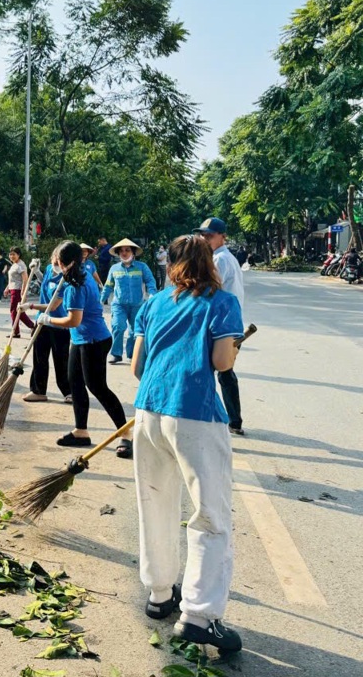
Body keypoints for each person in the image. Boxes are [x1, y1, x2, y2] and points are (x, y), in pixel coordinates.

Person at [130, 234, 244, 654]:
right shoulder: (221, 302)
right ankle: (199, 615)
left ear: (170, 263)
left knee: (154, 502)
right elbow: (221, 362)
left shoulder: (154, 303)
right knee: (210, 514)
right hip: (194, 415)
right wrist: (232, 345)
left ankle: (160, 595)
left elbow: (138, 367)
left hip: (148, 413)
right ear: (209, 262)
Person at [37, 241, 131, 455]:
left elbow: (73, 320)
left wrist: (48, 321)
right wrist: (33, 307)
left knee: (98, 387)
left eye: (57, 262)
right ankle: (81, 431)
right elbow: (54, 303)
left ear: (64, 262)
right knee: (76, 383)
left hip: (94, 341)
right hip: (81, 340)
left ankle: (126, 433)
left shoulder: (76, 285)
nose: (55, 265)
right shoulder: (72, 277)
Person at [194, 218, 245, 435]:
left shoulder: (221, 259)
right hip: (227, 324)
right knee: (225, 372)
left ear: (222, 236)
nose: (205, 239)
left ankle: (228, 420)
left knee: (219, 371)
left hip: (224, 326)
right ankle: (233, 420)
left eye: (210, 235)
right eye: (203, 235)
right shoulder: (219, 257)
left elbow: (209, 289)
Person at [19, 248, 72, 403]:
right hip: (42, 321)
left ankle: (69, 391)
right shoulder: (49, 269)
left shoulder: (67, 279)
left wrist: (31, 306)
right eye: (54, 258)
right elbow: (45, 283)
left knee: (61, 360)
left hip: (59, 324)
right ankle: (38, 390)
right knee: (39, 357)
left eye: (59, 260)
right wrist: (36, 272)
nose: (55, 262)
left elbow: (53, 306)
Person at [101, 239, 157, 365]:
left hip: (137, 305)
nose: (124, 253)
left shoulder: (142, 267)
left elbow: (150, 282)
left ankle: (132, 354)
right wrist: (100, 301)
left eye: (127, 250)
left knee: (134, 331)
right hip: (119, 305)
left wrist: (153, 295)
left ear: (133, 252)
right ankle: (116, 354)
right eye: (121, 251)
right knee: (117, 326)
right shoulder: (114, 269)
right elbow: (108, 286)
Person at [4, 246, 35, 337]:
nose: (11, 256)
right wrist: (7, 288)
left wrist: (23, 291)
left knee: (14, 311)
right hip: (13, 289)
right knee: (19, 311)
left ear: (19, 255)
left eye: (14, 254)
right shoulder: (14, 264)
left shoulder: (21, 264)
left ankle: (16, 331)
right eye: (10, 254)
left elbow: (25, 279)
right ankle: (32, 326)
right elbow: (12, 280)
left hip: (18, 290)